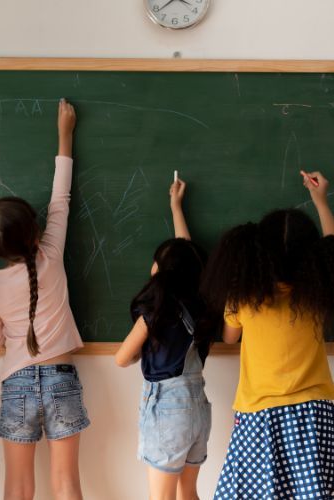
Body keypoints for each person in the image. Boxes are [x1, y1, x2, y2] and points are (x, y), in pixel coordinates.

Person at [205, 171, 334, 499]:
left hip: (259, 415)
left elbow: (228, 338)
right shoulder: (319, 293)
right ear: (313, 255)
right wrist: (320, 201)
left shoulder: (244, 298)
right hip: (312, 413)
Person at [0, 99, 89, 500]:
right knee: (67, 482)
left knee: (17, 488)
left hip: (16, 382)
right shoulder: (51, 256)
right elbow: (61, 198)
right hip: (61, 377)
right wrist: (65, 134)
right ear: (35, 233)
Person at [115, 177, 214, 500]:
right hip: (198, 408)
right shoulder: (201, 306)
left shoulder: (154, 314)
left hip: (167, 411)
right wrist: (176, 207)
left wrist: (140, 351)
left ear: (161, 270)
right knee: (188, 492)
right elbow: (186, 257)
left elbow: (121, 359)